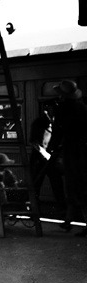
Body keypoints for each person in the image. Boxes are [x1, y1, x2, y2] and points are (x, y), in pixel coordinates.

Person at [49, 80, 87, 236]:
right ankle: (68, 220)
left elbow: (58, 131)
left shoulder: (64, 109)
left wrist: (51, 148)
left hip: (72, 152)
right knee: (80, 186)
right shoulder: (83, 107)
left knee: (73, 186)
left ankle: (71, 221)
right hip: (84, 151)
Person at [29, 101, 66, 212]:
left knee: (57, 185)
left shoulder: (57, 124)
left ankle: (62, 210)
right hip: (38, 159)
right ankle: (34, 210)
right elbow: (34, 142)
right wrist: (46, 155)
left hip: (51, 159)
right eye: (52, 108)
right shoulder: (39, 123)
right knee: (36, 185)